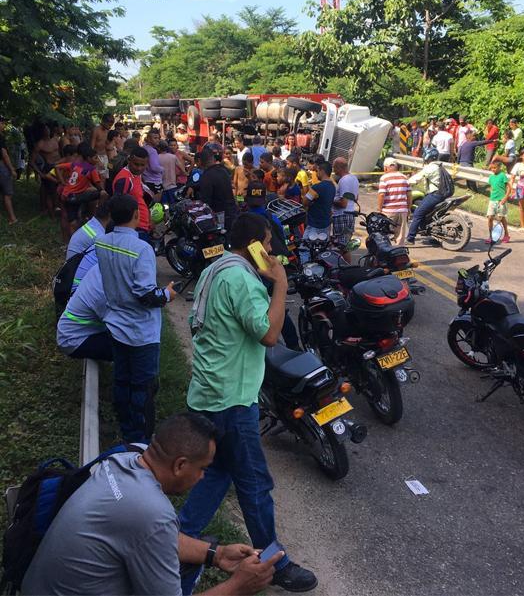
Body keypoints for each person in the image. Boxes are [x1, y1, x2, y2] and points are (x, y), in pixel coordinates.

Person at [178, 213, 316, 593]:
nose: (271, 251)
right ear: (254, 246)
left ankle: (178, 540)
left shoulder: (214, 269)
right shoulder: (241, 278)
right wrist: (280, 284)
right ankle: (275, 563)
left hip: (208, 395)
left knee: (218, 473)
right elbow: (269, 334)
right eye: (267, 243)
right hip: (232, 400)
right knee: (254, 483)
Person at [20, 413, 281, 596]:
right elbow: (154, 529)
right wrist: (238, 586)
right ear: (180, 465)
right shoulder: (151, 511)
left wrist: (218, 554)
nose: (202, 477)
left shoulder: (124, 460)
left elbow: (154, 537)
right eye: (202, 468)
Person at [96, 194, 173, 442]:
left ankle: (124, 426)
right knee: (143, 387)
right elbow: (146, 295)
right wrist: (168, 294)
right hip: (141, 331)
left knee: (122, 379)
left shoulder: (101, 243)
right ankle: (140, 439)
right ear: (136, 215)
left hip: (115, 324)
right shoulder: (142, 249)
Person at [405, 154, 451, 244]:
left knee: (418, 213)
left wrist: (405, 182)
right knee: (426, 210)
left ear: (427, 159)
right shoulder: (440, 166)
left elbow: (416, 178)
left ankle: (410, 238)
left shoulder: (430, 167)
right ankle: (432, 235)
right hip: (444, 194)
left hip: (435, 195)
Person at [112, 147, 154, 243]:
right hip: (134, 229)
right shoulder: (124, 179)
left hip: (142, 226)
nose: (139, 168)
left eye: (142, 165)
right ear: (129, 160)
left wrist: (149, 219)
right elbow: (119, 206)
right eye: (136, 164)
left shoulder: (136, 174)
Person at [196, 144, 234, 231]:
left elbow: (206, 200)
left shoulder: (206, 175)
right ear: (213, 158)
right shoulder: (223, 170)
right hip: (231, 211)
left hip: (218, 214)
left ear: (199, 161)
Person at [378, 157, 411, 245]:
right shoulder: (404, 177)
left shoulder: (384, 178)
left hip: (388, 211)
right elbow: (409, 195)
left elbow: (381, 195)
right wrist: (408, 208)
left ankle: (386, 251)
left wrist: (379, 209)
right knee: (400, 236)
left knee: (384, 234)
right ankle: (399, 251)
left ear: (386, 167)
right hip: (402, 211)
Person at [303, 160, 336, 239]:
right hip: (326, 224)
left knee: (305, 246)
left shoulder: (317, 187)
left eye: (317, 171)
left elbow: (304, 202)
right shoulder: (332, 186)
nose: (316, 173)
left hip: (314, 225)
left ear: (322, 171)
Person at [484, 159, 510, 244]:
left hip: (501, 200)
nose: (493, 169)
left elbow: (509, 188)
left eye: (495, 168)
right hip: (492, 200)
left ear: (499, 167)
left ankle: (506, 234)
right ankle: (490, 236)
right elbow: (492, 188)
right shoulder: (491, 177)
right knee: (490, 217)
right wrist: (490, 198)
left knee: (501, 218)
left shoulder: (502, 175)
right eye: (492, 168)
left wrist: (505, 198)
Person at [157, 140, 185, 206]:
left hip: (162, 187)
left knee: (165, 206)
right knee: (173, 205)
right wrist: (186, 173)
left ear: (159, 148)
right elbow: (181, 168)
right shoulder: (173, 157)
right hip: (172, 186)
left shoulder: (157, 157)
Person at [0, 121, 17, 225]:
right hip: (1, 166)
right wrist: (11, 169)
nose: (3, 125)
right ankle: (12, 218)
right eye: (2, 123)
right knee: (7, 194)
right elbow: (4, 154)